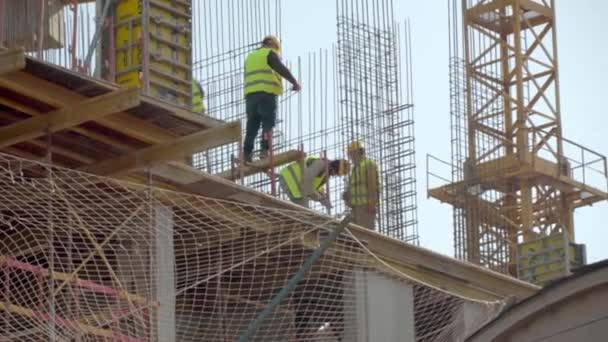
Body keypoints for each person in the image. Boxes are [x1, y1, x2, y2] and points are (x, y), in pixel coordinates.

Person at [242, 35, 301, 163]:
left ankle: (246, 154)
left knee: (252, 125)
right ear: (274, 46)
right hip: (267, 93)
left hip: (251, 95)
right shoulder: (269, 54)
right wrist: (294, 82)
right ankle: (264, 151)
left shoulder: (250, 57)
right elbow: (281, 69)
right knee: (268, 124)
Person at [279, 156, 349, 209]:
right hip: (290, 180)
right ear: (333, 167)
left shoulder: (325, 174)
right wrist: (319, 198)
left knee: (304, 211)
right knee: (304, 212)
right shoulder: (321, 164)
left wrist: (322, 197)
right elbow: (306, 182)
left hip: (297, 187)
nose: (334, 175)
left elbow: (314, 188)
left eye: (336, 174)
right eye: (335, 173)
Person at [343, 141, 379, 230]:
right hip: (355, 207)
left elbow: (372, 184)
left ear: (357, 152)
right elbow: (353, 186)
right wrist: (347, 196)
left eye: (350, 153)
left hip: (365, 206)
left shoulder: (368, 164)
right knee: (353, 233)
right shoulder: (355, 168)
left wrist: (372, 204)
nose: (349, 156)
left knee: (365, 233)